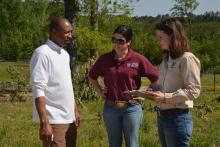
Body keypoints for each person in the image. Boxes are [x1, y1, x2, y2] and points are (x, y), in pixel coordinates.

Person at [130, 18, 201, 147]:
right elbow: (163, 85)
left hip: (177, 118)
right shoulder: (166, 60)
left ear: (172, 36)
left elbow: (194, 90)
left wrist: (165, 97)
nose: (158, 41)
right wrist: (149, 91)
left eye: (161, 37)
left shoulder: (187, 58)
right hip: (162, 118)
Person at [88, 25, 159, 147]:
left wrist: (144, 94)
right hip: (111, 108)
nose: (116, 44)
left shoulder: (138, 59)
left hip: (131, 108)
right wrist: (100, 91)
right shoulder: (105, 59)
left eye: (120, 41)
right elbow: (92, 76)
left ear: (129, 42)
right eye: (114, 40)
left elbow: (155, 78)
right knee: (114, 144)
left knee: (132, 144)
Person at [30, 17, 80, 147]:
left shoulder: (64, 54)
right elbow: (38, 89)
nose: (70, 36)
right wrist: (44, 123)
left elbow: (66, 85)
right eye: (66, 32)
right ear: (54, 32)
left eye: (71, 32)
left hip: (69, 119)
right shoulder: (42, 53)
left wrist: (74, 110)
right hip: (54, 120)